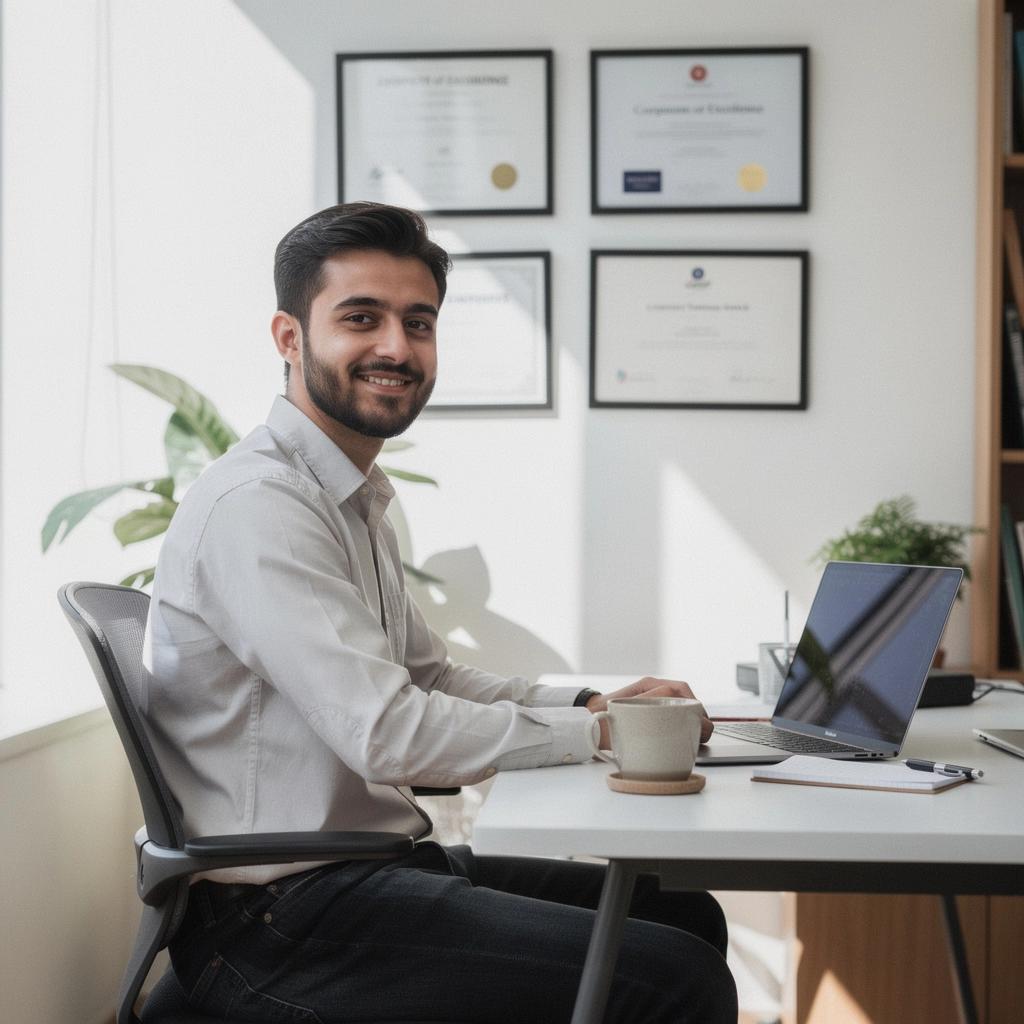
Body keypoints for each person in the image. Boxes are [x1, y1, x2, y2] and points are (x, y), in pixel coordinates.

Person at [144, 201, 737, 1023]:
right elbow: (392, 735)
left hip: (366, 869)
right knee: (674, 977)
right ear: (289, 338)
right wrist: (608, 737)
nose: (396, 346)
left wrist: (590, 706)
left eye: (417, 323)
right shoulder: (261, 505)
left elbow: (430, 677)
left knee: (683, 913)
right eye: (362, 318)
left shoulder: (342, 494)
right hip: (281, 920)